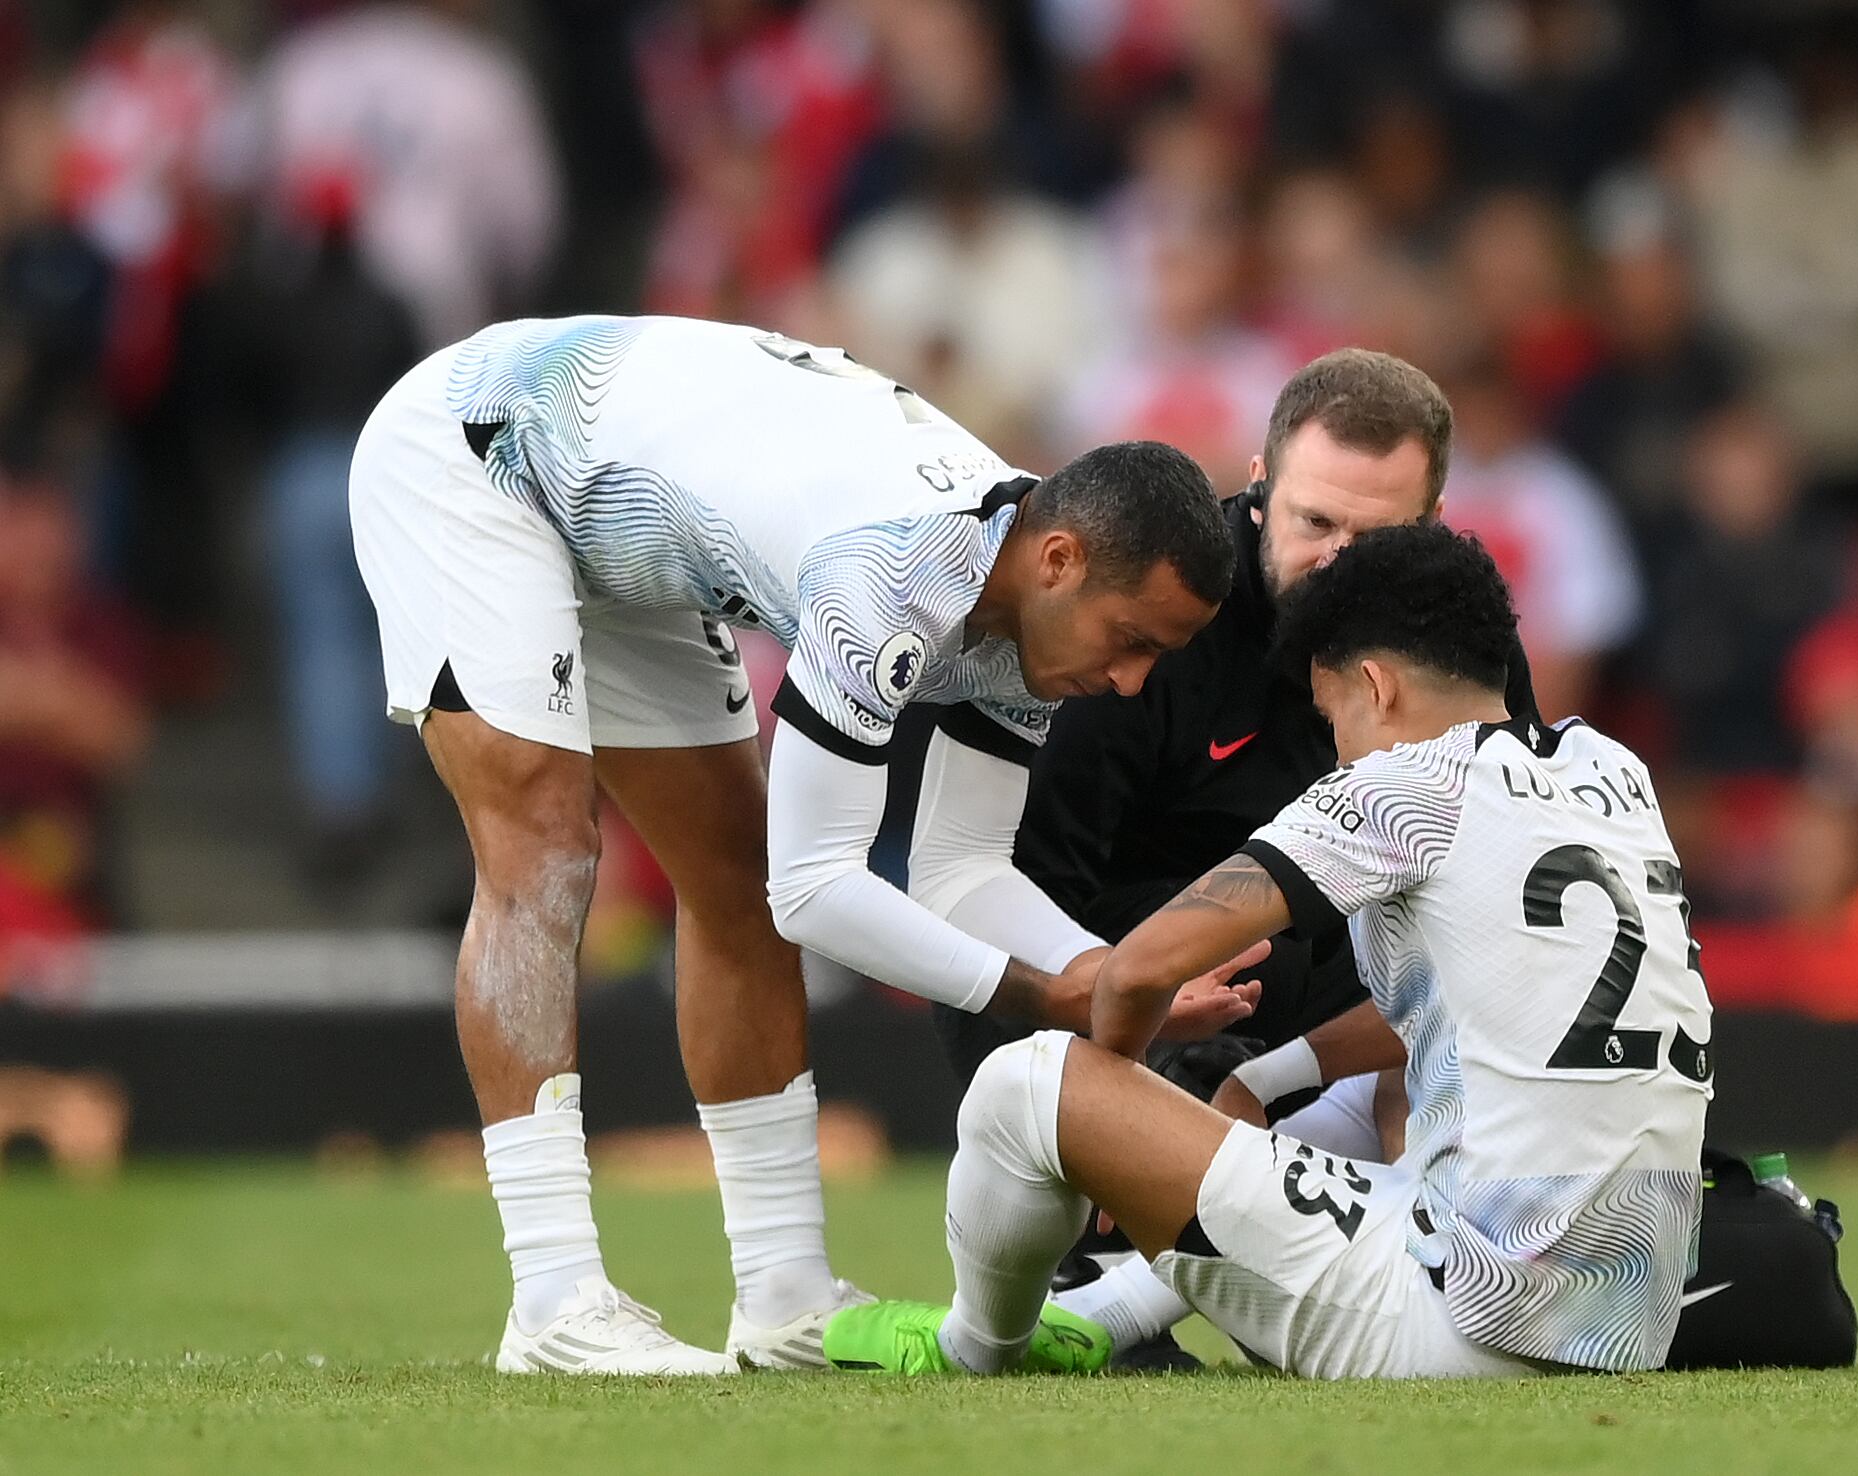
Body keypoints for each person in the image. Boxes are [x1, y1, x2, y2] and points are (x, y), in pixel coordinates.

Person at [350, 314, 1260, 1375]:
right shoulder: (891, 570)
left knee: (729, 874)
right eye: (1132, 643)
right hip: (479, 451)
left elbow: (960, 870)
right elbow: (818, 891)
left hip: (622, 521)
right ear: (1060, 559)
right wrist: (1048, 993)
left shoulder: (1030, 598)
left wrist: (1108, 971)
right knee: (548, 846)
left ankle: (785, 1297)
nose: (1133, 684)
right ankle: (555, 1303)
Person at [821, 523, 1713, 1379]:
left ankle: (974, 1347)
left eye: (1332, 716)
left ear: (1376, 686)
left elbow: (1137, 967)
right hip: (1626, 1320)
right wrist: (1268, 1076)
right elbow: (1502, 1011)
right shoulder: (1610, 769)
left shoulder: (1400, 788)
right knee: (1374, 1094)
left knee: (1029, 1081)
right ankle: (1100, 1315)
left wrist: (1108, 1113)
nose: (1337, 747)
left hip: (1470, 1320)